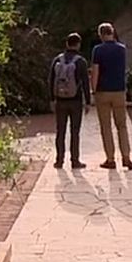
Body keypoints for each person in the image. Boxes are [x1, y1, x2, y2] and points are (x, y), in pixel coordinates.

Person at [90, 22, 132, 170]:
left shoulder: (98, 50)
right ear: (113, 32)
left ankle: (110, 159)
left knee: (106, 126)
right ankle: (126, 157)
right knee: (122, 125)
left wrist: (93, 89)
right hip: (119, 91)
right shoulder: (122, 49)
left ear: (101, 34)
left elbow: (95, 71)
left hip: (103, 91)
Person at [48, 32, 92, 169]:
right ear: (78, 45)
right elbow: (85, 82)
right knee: (75, 131)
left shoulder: (57, 60)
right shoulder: (80, 62)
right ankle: (75, 160)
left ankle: (59, 160)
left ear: (66, 43)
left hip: (60, 101)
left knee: (60, 131)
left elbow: (50, 80)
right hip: (76, 101)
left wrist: (51, 99)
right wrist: (88, 101)